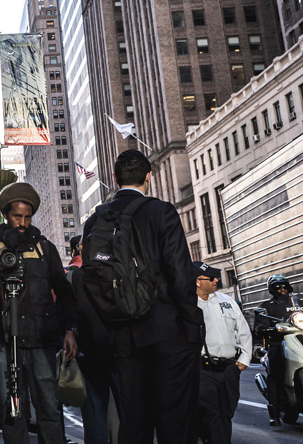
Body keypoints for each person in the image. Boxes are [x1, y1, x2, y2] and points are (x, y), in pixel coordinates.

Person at [81, 150, 202, 444]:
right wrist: (192, 324)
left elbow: (92, 284)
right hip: (167, 331)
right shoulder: (161, 212)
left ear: (115, 178)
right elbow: (179, 273)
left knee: (134, 422)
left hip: (122, 336)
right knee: (175, 419)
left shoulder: (94, 223)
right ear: (148, 176)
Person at [0, 182, 78, 444]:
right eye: (17, 216)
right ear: (6, 215)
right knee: (11, 410)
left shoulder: (44, 247)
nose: (22, 222)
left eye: (27, 217)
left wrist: (70, 330)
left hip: (41, 339)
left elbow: (64, 291)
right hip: (3, 340)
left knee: (49, 407)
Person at [193, 261, 250, 444]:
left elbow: (243, 331)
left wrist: (244, 360)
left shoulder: (227, 301)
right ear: (197, 282)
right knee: (211, 413)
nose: (216, 279)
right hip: (204, 371)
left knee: (226, 413)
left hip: (229, 370)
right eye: (211, 278)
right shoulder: (187, 304)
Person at [69, 254, 120, 443]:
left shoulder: (77, 276)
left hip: (90, 350)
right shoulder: (119, 270)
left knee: (95, 413)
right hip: (117, 350)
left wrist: (71, 332)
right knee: (126, 412)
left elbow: (72, 309)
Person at [255, 273, 297, 425]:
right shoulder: (265, 307)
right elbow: (259, 327)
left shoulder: (298, 303)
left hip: (299, 341)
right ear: (271, 289)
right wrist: (268, 328)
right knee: (275, 373)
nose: (282, 289)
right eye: (277, 286)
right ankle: (274, 411)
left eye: (284, 285)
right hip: (279, 343)